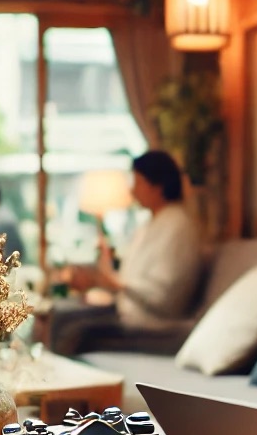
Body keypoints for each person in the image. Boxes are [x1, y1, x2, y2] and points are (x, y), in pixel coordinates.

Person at [50, 150, 203, 354]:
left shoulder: (178, 226)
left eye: (138, 183)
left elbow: (165, 296)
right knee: (60, 311)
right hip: (129, 314)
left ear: (157, 186)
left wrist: (116, 284)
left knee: (73, 330)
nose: (132, 191)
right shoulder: (151, 223)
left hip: (155, 326)